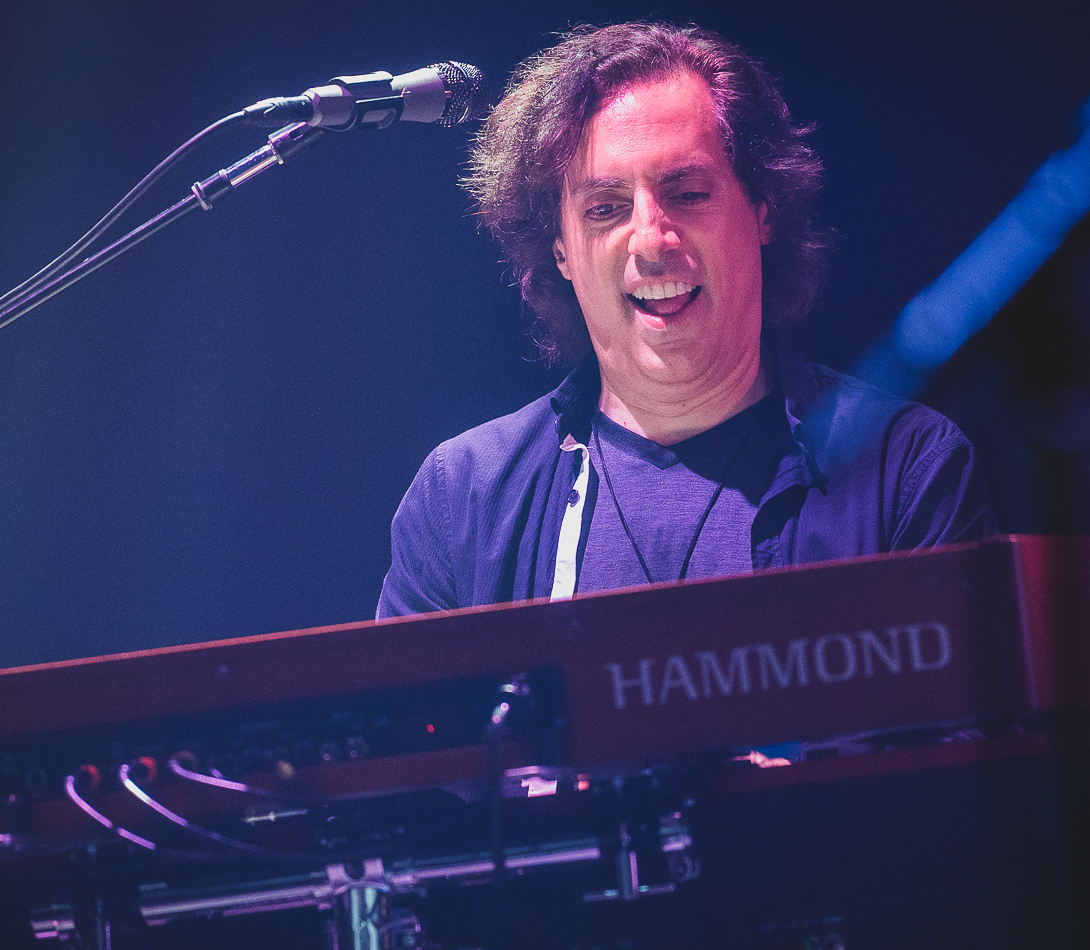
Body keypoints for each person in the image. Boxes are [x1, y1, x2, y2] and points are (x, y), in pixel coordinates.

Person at [377, 22, 994, 619]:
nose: (651, 240)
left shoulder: (906, 468)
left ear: (761, 211)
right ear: (560, 249)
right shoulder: (462, 500)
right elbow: (410, 726)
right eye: (605, 208)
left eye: (688, 193)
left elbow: (971, 724)